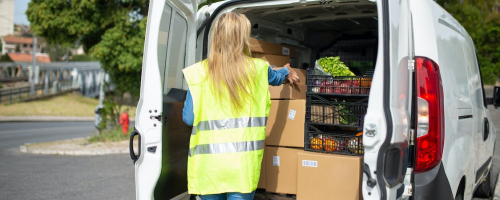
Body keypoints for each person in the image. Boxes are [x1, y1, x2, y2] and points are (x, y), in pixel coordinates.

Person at [182, 12, 300, 200]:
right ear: (242, 39)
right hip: (242, 166)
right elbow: (277, 78)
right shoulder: (258, 68)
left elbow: (188, 118)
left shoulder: (197, 73)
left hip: (208, 167)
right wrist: (286, 70)